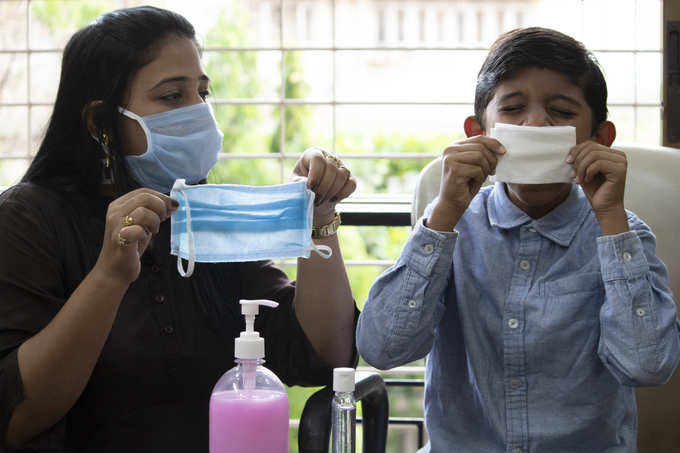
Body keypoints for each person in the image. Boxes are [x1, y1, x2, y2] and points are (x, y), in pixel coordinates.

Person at [0, 6, 357, 452]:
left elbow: (323, 355)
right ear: (99, 123)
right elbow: (15, 416)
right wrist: (108, 278)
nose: (198, 113)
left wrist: (320, 219)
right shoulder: (30, 219)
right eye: (172, 97)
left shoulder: (201, 211)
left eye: (202, 94)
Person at [357, 27, 680, 453]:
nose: (535, 123)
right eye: (513, 109)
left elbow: (648, 365)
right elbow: (381, 348)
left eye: (561, 112)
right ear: (480, 133)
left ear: (599, 139)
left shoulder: (624, 233)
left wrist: (610, 217)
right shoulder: (451, 229)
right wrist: (443, 216)